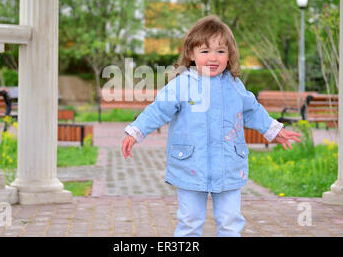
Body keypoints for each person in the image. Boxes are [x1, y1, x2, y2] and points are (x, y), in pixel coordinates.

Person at [121, 15, 301, 237]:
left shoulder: (235, 85)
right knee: (189, 221)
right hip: (190, 165)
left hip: (228, 165)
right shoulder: (181, 85)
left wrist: (275, 131)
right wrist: (135, 131)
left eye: (220, 51)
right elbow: (158, 110)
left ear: (230, 55)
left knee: (230, 221)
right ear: (191, 54)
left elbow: (252, 110)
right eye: (205, 51)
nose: (213, 57)